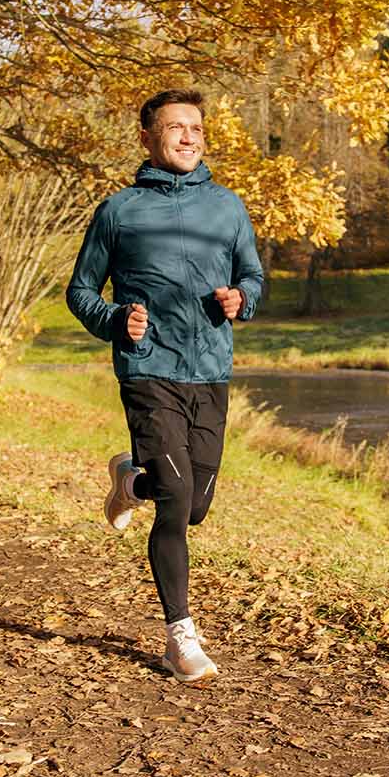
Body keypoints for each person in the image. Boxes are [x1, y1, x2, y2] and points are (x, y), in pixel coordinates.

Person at [66, 89, 264, 682]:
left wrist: (242, 299)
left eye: (196, 127)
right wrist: (116, 321)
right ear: (147, 138)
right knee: (176, 503)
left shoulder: (228, 209)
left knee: (195, 505)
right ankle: (180, 636)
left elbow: (252, 274)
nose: (188, 137)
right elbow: (80, 292)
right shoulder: (119, 211)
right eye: (175, 127)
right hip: (148, 368)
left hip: (210, 370)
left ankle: (130, 480)